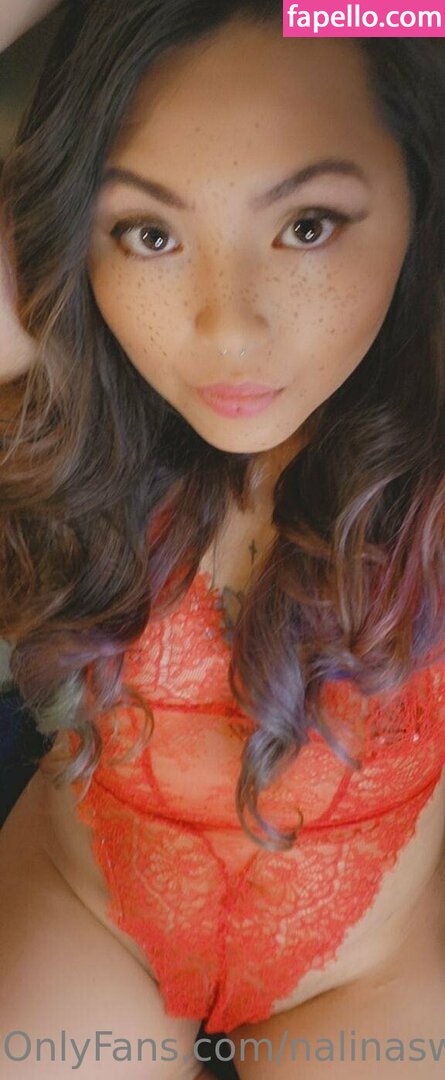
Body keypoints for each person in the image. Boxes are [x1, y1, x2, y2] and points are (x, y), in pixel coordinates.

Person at [0, 3, 445, 1077]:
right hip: (91, 920)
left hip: (366, 972)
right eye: (149, 234)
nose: (228, 329)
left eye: (308, 225)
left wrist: (351, 6)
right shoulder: (55, 396)